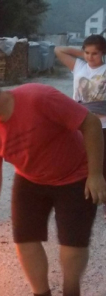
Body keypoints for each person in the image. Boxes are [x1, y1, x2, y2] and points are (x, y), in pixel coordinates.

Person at [0, 71, 106, 296]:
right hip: (30, 180)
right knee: (24, 241)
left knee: (71, 249)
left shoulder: (39, 98)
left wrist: (95, 174)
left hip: (75, 175)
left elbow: (90, 123)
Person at [55, 35, 106, 218]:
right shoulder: (79, 67)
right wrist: (82, 55)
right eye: (87, 53)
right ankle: (83, 201)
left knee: (103, 165)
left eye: (95, 53)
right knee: (80, 164)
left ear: (103, 53)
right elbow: (58, 50)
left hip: (103, 126)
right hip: (81, 125)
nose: (91, 57)